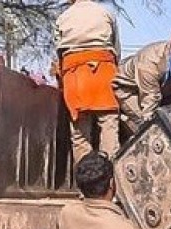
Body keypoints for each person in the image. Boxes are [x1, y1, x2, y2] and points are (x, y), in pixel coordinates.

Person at [55, 0, 121, 163]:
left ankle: (87, 183)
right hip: (104, 74)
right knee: (109, 126)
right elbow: (116, 50)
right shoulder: (106, 13)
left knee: (80, 136)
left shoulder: (63, 18)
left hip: (75, 77)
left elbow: (59, 54)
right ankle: (111, 179)